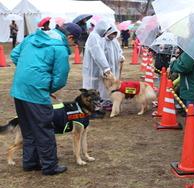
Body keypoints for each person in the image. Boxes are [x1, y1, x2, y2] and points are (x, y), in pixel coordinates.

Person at [10, 23, 82, 175]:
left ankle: (30, 162)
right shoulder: (60, 48)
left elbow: (14, 55)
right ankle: (50, 166)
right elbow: (60, 78)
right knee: (44, 128)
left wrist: (27, 71)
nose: (73, 45)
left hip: (19, 89)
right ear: (69, 37)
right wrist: (45, 86)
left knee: (28, 128)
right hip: (36, 92)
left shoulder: (32, 37)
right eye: (74, 42)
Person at [82, 21, 124, 117]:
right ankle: (91, 110)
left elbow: (115, 51)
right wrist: (105, 68)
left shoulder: (98, 37)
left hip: (100, 67)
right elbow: (98, 54)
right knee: (92, 89)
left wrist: (120, 57)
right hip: (94, 69)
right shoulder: (94, 37)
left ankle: (96, 108)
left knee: (97, 89)